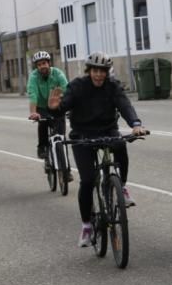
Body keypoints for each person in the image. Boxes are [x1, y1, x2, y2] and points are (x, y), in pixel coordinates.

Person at [47, 51, 147, 247]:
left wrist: (135, 123)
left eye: (102, 71)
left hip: (107, 129)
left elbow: (124, 104)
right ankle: (86, 226)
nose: (99, 75)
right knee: (87, 181)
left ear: (107, 72)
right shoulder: (77, 86)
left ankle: (122, 186)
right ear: (89, 70)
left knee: (120, 144)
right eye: (95, 70)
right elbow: (63, 106)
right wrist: (55, 107)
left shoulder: (112, 86)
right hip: (82, 135)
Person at [27, 50, 68, 161]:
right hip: (42, 107)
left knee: (61, 139)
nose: (42, 66)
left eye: (44, 63)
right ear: (36, 67)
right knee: (42, 123)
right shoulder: (34, 77)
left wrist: (69, 107)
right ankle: (42, 147)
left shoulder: (58, 74)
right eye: (39, 65)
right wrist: (33, 112)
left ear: (49, 63)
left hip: (56, 107)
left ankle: (65, 169)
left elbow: (67, 90)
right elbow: (33, 94)